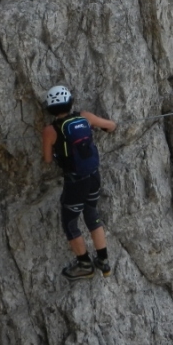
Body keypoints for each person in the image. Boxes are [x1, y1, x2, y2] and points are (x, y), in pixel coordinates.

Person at [41, 85, 117, 281]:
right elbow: (111, 126)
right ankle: (103, 261)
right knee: (92, 213)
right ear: (70, 102)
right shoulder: (85, 117)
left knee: (70, 223)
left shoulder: (50, 130)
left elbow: (48, 159)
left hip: (75, 182)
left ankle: (85, 265)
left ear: (50, 108)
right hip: (93, 176)